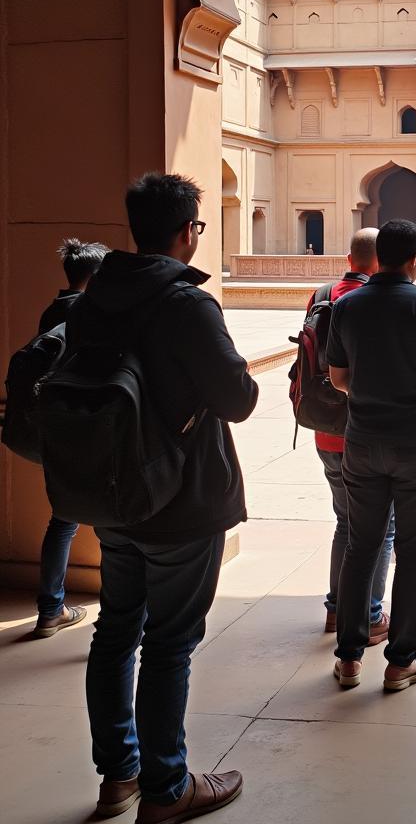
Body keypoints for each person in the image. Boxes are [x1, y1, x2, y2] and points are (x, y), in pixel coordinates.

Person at [73, 173, 257, 821]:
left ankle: (117, 775)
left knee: (116, 629)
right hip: (180, 496)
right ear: (187, 231)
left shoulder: (95, 296)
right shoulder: (185, 303)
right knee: (170, 641)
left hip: (111, 490)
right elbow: (237, 399)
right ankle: (165, 787)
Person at [327, 219, 416, 691]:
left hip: (362, 441)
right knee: (413, 551)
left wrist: (372, 398)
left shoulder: (347, 305)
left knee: (360, 547)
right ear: (415, 259)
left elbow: (339, 378)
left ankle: (348, 658)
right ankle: (401, 660)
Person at [308, 228, 395, 641]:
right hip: (365, 431)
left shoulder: (321, 295)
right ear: (381, 262)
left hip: (326, 429)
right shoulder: (372, 301)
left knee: (345, 522)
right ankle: (371, 613)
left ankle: (336, 609)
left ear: (348, 258)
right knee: (380, 528)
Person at [32, 238, 110, 639]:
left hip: (54, 431)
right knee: (111, 524)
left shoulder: (52, 311)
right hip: (87, 431)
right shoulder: (90, 314)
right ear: (96, 276)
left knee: (61, 521)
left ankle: (50, 609)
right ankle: (117, 618)